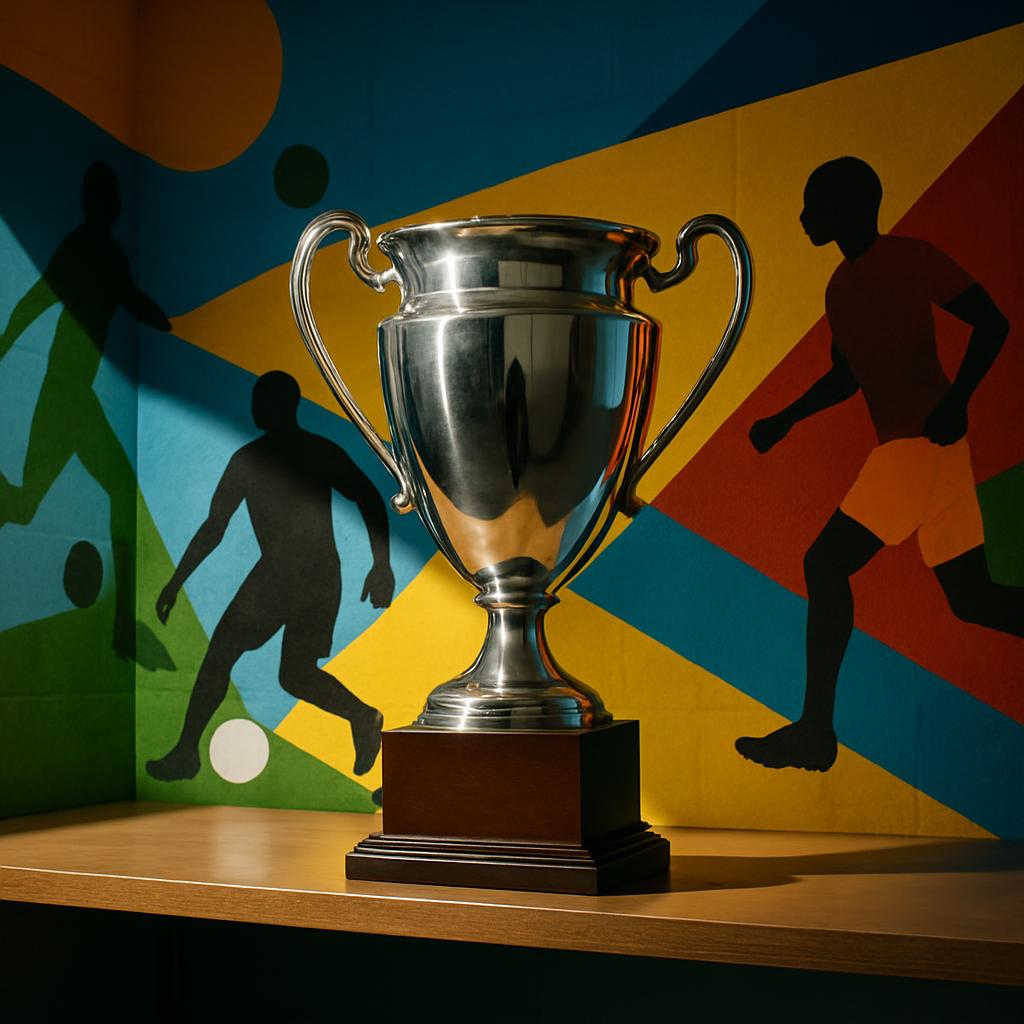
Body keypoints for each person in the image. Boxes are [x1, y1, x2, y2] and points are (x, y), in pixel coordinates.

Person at [736, 156, 1019, 772]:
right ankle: (814, 730)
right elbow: (846, 378)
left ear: (850, 206)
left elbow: (992, 322)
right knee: (973, 599)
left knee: (824, 563)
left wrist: (957, 399)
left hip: (916, 447)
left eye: (815, 204)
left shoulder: (911, 258)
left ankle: (815, 731)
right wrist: (786, 418)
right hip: (930, 454)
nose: (805, 216)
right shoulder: (839, 287)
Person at [147, 370, 394, 782]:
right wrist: (176, 580)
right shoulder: (258, 459)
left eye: (262, 400)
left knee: (229, 658)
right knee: (290, 674)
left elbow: (368, 495)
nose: (255, 407)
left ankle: (188, 751)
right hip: (305, 575)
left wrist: (382, 563)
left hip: (293, 575)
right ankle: (362, 715)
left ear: (282, 406)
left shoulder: (286, 455)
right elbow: (214, 527)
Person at [0, 162, 171, 657]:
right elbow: (36, 301)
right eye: (109, 199)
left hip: (72, 394)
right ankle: (122, 628)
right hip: (65, 394)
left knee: (33, 503)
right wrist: (6, 345)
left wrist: (165, 319)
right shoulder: (86, 249)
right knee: (51, 501)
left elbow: (129, 301)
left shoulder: (106, 254)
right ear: (102, 205)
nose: (113, 208)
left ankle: (121, 628)